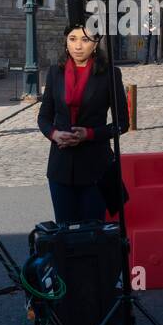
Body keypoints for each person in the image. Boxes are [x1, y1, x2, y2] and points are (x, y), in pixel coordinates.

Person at [37, 24, 129, 224]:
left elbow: (122, 123)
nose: (78, 46)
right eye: (72, 39)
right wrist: (54, 134)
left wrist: (89, 134)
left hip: (95, 168)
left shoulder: (110, 74)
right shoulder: (54, 73)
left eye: (85, 40)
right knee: (65, 233)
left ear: (95, 44)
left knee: (92, 235)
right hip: (60, 167)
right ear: (65, 42)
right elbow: (43, 117)